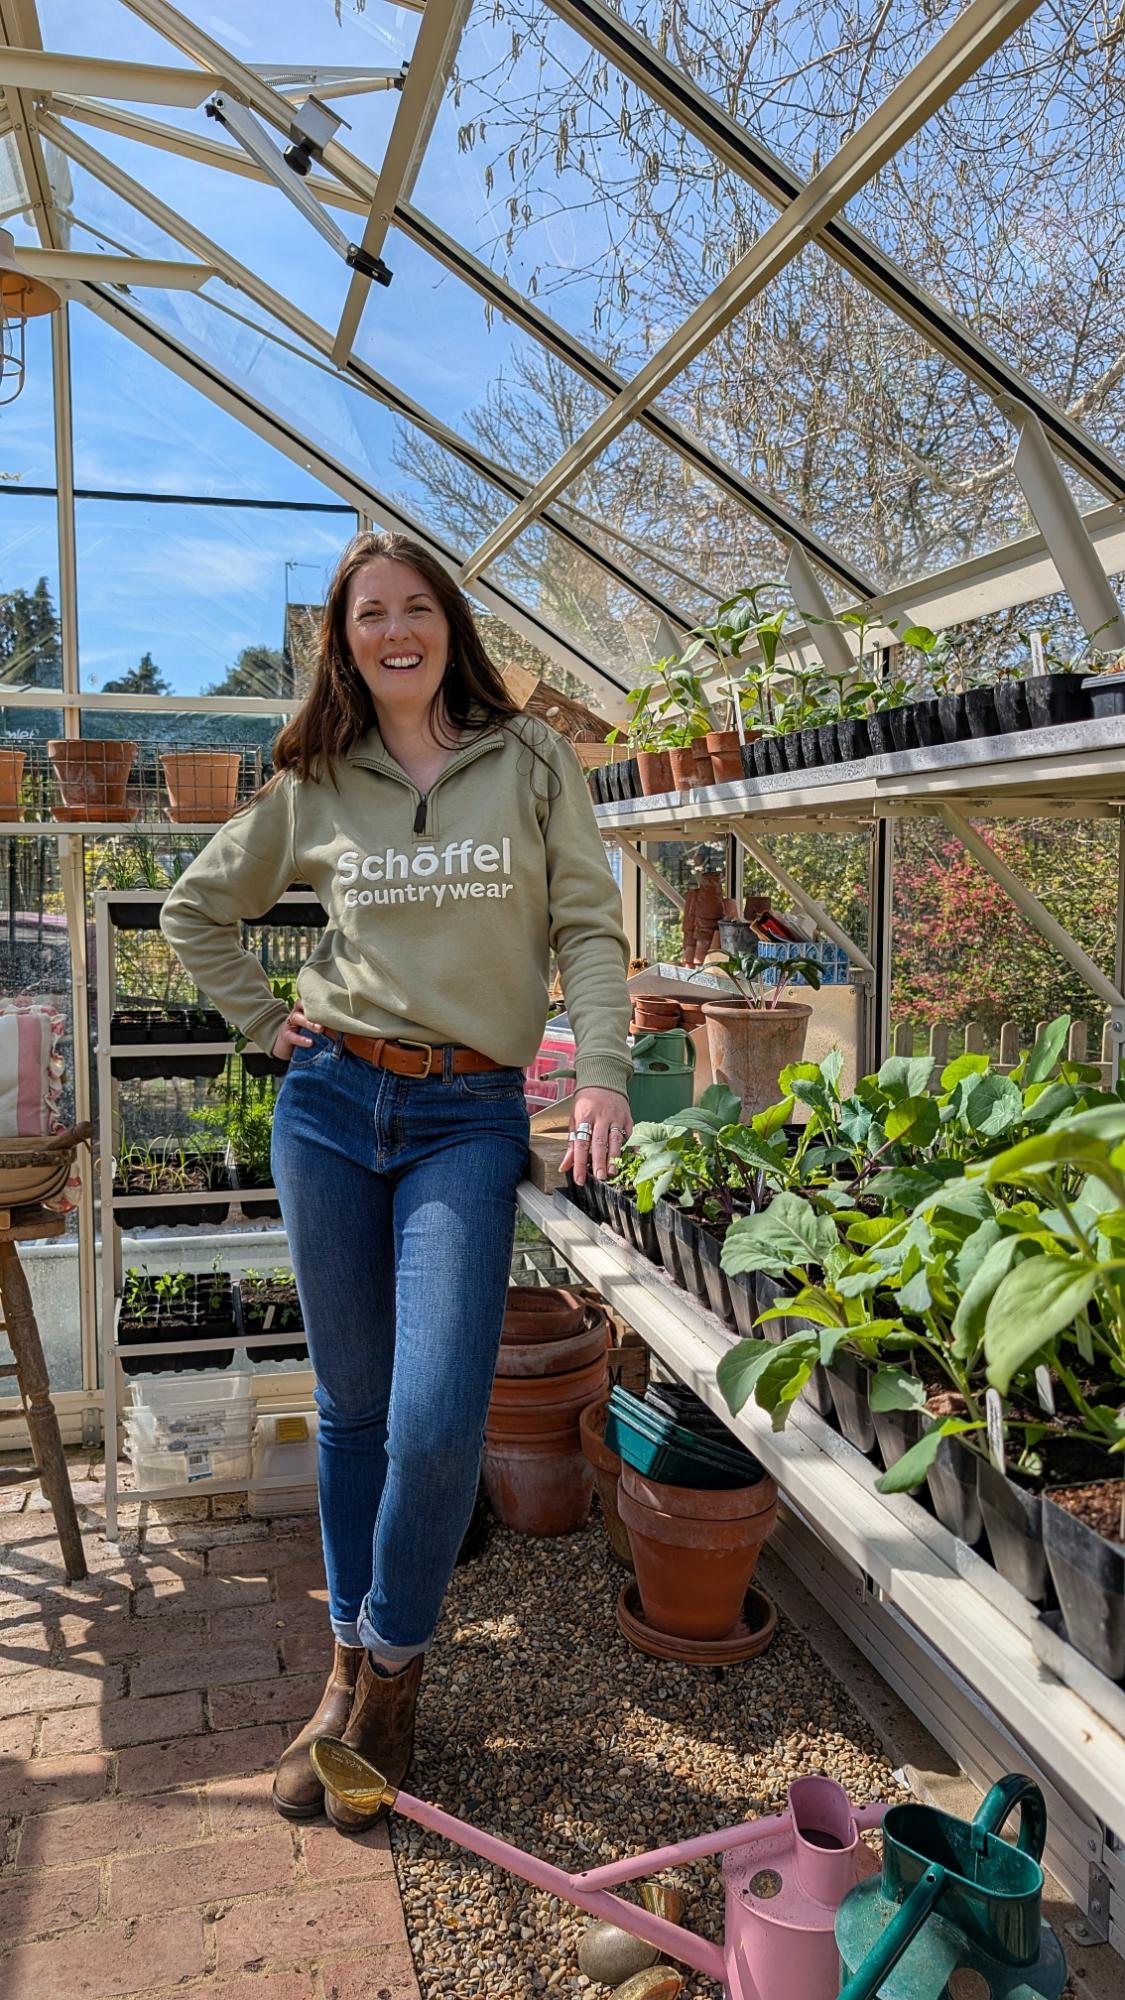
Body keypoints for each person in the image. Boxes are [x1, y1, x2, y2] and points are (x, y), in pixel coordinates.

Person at [160, 530, 632, 1832]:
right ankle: (349, 1671)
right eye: (369, 612)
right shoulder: (317, 779)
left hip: (467, 1115)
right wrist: (262, 1022)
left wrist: (601, 1071)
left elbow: (589, 926)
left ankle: (398, 1659)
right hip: (328, 1102)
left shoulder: (530, 760)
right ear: (344, 639)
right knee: (353, 1407)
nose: (393, 628)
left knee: (433, 1419)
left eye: (415, 605)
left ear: (446, 624)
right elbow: (197, 911)